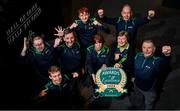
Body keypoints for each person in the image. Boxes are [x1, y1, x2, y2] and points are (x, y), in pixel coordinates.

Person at [131, 39, 171, 110]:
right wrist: (133, 77)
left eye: (149, 48)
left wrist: (167, 55)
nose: (146, 50)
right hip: (137, 85)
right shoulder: (138, 55)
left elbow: (165, 65)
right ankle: (137, 107)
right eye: (144, 47)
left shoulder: (157, 61)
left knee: (149, 104)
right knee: (137, 98)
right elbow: (134, 67)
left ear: (154, 49)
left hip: (149, 90)